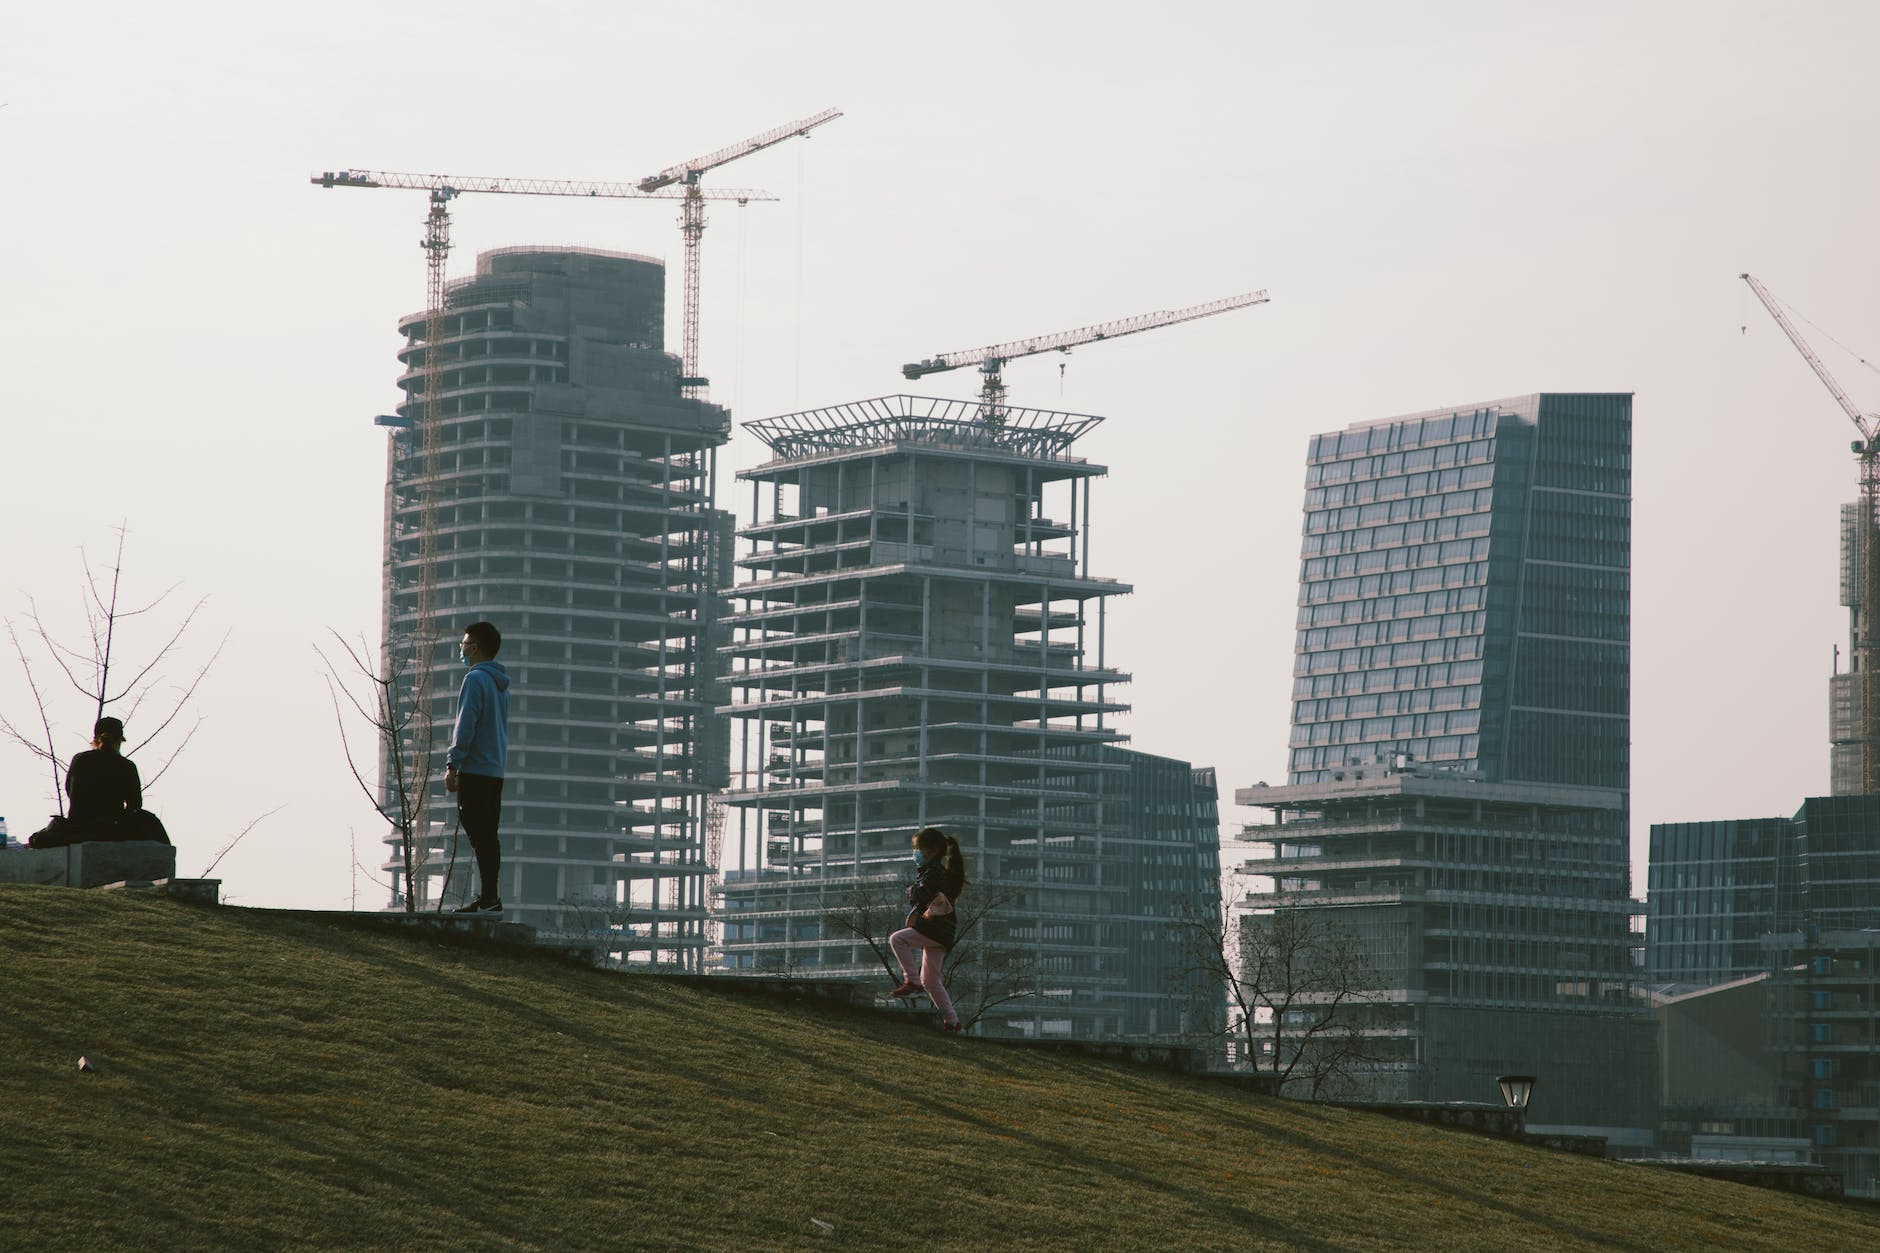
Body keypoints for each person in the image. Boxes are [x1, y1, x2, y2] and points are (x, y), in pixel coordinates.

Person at [445, 621, 510, 914]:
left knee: (478, 833)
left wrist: (453, 763)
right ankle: (490, 897)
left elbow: (466, 724)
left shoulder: (475, 680)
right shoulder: (500, 684)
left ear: (477, 647)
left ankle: (488, 899)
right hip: (495, 770)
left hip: (475, 769)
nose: (462, 648)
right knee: (488, 835)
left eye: (465, 643)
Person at [29, 716, 169, 848]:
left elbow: (69, 791)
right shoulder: (126, 765)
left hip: (76, 827)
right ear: (119, 740)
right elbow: (135, 804)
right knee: (150, 822)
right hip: (109, 830)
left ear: (94, 739)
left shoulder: (79, 759)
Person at [888, 826, 967, 1033]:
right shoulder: (936, 872)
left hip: (934, 929)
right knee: (931, 980)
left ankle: (912, 982)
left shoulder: (932, 873)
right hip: (942, 933)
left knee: (898, 940)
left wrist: (913, 892)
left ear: (931, 851)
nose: (915, 853)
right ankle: (952, 1022)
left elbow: (927, 895)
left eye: (917, 849)